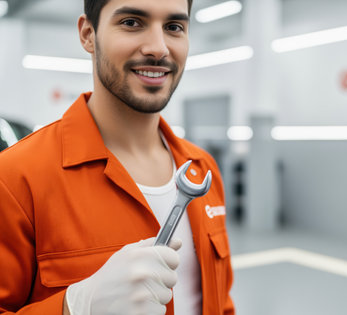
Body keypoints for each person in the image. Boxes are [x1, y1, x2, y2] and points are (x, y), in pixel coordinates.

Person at [0, 0, 234, 314]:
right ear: (87, 34)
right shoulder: (15, 178)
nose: (158, 48)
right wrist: (72, 307)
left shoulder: (203, 169)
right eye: (132, 23)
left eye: (174, 27)